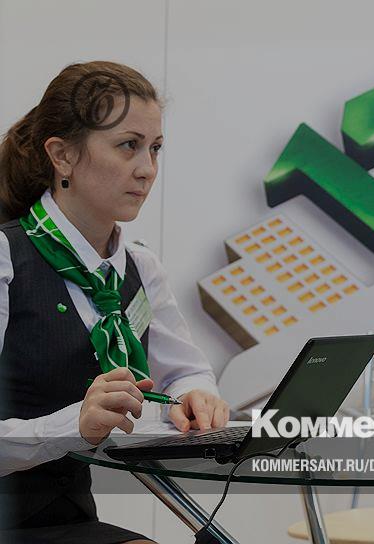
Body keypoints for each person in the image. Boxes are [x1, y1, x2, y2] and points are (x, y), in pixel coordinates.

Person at [0, 61, 230, 543]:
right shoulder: (6, 257)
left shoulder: (139, 266)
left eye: (155, 148)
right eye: (128, 145)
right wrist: (76, 424)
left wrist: (195, 396)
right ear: (62, 156)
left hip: (66, 517)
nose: (147, 170)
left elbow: (186, 371)